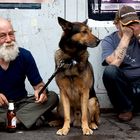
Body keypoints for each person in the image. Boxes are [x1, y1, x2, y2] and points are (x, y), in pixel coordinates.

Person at [0, 17, 59, 130]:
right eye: (2, 36)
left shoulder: (24, 55)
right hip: (2, 107)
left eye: (11, 34)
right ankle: (27, 120)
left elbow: (39, 86)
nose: (8, 39)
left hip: (22, 104)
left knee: (53, 97)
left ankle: (13, 121)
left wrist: (41, 92)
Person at [101, 5, 140, 122]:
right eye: (126, 24)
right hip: (124, 90)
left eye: (134, 23)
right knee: (110, 71)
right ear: (117, 24)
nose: (131, 27)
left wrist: (139, 36)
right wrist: (126, 37)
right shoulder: (109, 40)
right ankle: (125, 109)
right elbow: (114, 64)